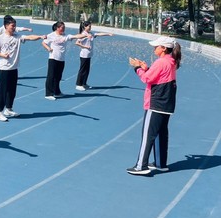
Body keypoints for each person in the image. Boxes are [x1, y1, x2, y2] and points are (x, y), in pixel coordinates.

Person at [126, 36, 181, 175]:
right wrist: (147, 68)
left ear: (164, 48)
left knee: (148, 134)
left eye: (156, 47)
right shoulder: (172, 61)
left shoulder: (161, 62)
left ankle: (141, 166)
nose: (154, 49)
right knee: (161, 133)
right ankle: (160, 163)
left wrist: (137, 68)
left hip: (156, 103)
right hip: (167, 103)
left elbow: (147, 78)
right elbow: (159, 76)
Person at [0, 16, 46, 121]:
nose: (14, 27)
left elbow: (30, 37)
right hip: (4, 68)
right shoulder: (0, 38)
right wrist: (2, 55)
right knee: (3, 90)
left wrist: (40, 36)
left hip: (14, 68)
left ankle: (8, 109)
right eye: (12, 26)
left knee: (12, 90)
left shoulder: (17, 36)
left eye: (15, 25)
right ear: (6, 26)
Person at [42, 21, 87, 100]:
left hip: (61, 59)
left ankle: (56, 92)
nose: (64, 29)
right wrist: (48, 48)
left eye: (64, 27)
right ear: (57, 28)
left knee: (58, 77)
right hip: (53, 58)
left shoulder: (65, 36)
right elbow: (43, 43)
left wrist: (85, 35)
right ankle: (48, 94)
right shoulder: (51, 35)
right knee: (51, 76)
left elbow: (75, 36)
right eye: (62, 27)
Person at [74, 21, 113, 91]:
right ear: (85, 27)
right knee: (82, 70)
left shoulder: (90, 33)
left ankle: (84, 83)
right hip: (84, 55)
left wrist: (107, 34)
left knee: (87, 70)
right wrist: (85, 47)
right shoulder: (83, 34)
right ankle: (78, 84)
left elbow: (98, 34)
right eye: (89, 26)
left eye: (90, 26)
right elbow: (77, 43)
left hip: (89, 55)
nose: (90, 27)